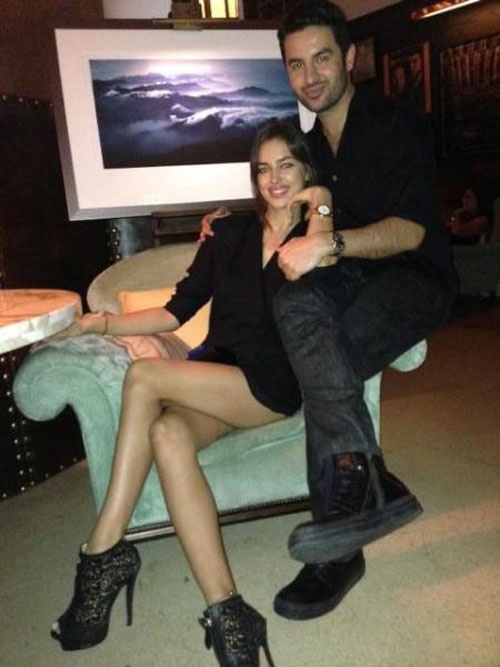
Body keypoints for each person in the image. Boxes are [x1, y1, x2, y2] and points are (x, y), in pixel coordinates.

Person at [202, 0, 458, 623]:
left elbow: (412, 232)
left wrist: (330, 244)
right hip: (350, 277)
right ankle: (371, 478)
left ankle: (336, 552)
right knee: (295, 307)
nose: (310, 76)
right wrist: (225, 224)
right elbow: (281, 199)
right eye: (296, 65)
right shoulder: (311, 146)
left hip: (414, 278)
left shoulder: (398, 125)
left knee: (320, 359)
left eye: (321, 58)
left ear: (349, 56)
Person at [49, 120, 333, 666]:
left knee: (145, 377)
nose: (274, 179)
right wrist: (100, 324)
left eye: (287, 166)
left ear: (306, 170)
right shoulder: (227, 234)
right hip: (216, 373)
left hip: (271, 383)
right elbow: (176, 311)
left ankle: (103, 551)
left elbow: (327, 270)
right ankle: (229, 610)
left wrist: (320, 202)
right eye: (263, 169)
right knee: (167, 433)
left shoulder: (314, 242)